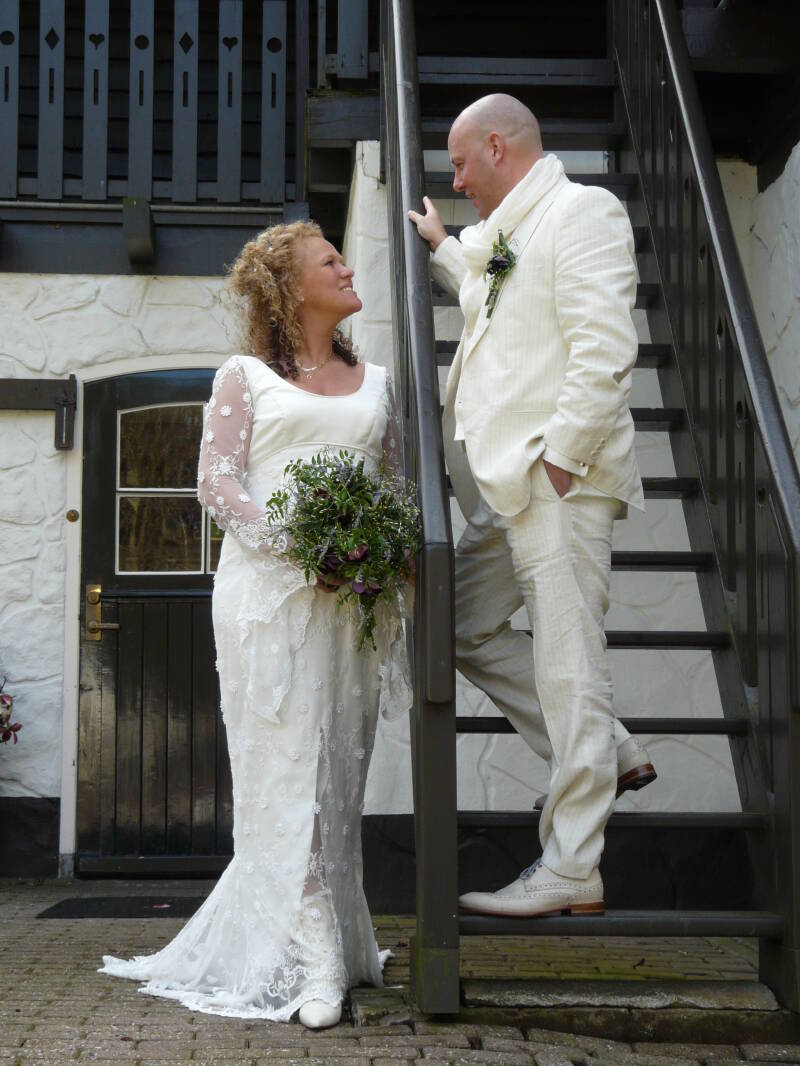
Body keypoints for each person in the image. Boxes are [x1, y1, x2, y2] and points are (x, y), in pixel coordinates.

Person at [100, 221, 410, 1026]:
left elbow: (393, 488)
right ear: (289, 287)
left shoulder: (379, 382)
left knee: (336, 768)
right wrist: (303, 546)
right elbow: (217, 483)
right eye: (330, 261)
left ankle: (335, 932)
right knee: (284, 767)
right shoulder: (245, 377)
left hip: (349, 605)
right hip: (267, 600)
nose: (347, 268)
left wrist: (375, 554)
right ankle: (314, 962)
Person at [409, 93, 656, 916]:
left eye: (458, 165)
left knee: (568, 664)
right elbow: (493, 296)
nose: (455, 182)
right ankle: (607, 750)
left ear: (495, 147)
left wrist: (561, 463)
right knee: (457, 624)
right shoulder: (512, 231)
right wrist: (445, 248)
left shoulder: (584, 211)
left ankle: (573, 862)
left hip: (556, 482)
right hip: (506, 489)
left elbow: (604, 349)